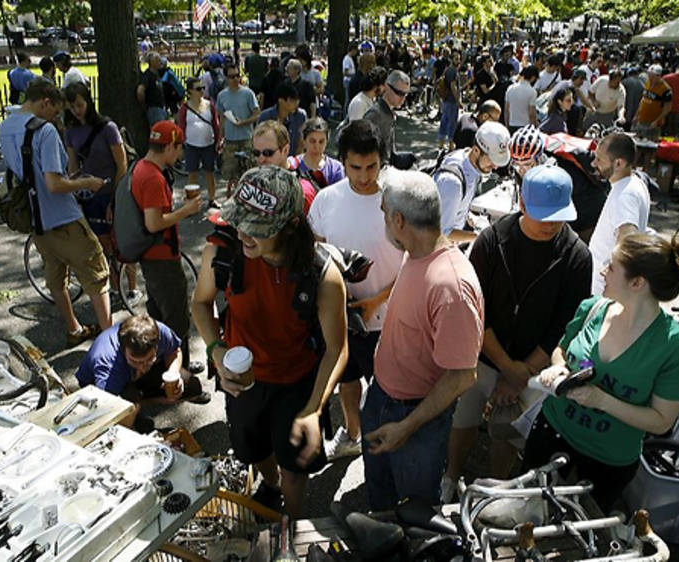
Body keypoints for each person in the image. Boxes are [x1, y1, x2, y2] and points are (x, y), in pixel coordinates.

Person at [192, 165, 348, 517]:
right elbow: (200, 305)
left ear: (291, 227)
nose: (245, 234)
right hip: (243, 382)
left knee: (295, 470)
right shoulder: (224, 253)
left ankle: (290, 525)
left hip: (296, 383)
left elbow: (337, 349)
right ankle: (271, 485)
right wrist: (217, 353)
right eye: (240, 221)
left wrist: (314, 408)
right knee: (252, 452)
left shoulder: (322, 275)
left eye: (257, 228)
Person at [522, 233, 679, 510]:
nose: (602, 271)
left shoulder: (676, 350)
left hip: (607, 463)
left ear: (637, 283)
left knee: (579, 540)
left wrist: (600, 400)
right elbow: (561, 349)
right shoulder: (592, 308)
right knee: (526, 517)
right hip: (550, 434)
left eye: (611, 267)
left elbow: (661, 421)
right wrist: (558, 367)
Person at [442, 165, 592, 497]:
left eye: (559, 215)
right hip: (484, 355)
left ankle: (497, 489)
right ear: (522, 204)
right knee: (463, 417)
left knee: (506, 431)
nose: (551, 224)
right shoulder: (491, 241)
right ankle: (450, 477)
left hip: (534, 365)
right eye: (544, 215)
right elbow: (475, 313)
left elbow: (565, 325)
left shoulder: (577, 256)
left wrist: (521, 373)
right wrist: (508, 368)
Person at [360, 168, 484, 510]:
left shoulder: (452, 289)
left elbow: (462, 376)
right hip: (383, 398)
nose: (382, 218)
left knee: (415, 515)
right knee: (380, 500)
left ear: (399, 220)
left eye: (384, 212)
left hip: (416, 420)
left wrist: (406, 427)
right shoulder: (415, 252)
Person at [308, 120, 404, 460]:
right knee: (346, 381)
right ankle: (352, 433)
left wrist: (375, 301)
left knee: (389, 389)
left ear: (382, 160)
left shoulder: (398, 201)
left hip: (389, 320)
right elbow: (316, 254)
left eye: (372, 166)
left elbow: (415, 262)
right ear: (343, 162)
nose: (364, 176)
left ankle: (386, 443)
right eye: (355, 167)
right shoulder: (325, 200)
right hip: (340, 319)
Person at [0, 78, 111, 346]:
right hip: (64, 218)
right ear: (45, 102)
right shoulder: (44, 131)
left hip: (37, 222)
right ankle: (111, 342)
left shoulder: (6, 127)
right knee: (97, 275)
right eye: (55, 111)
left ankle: (73, 328)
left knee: (56, 277)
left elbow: (28, 175)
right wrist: (86, 182)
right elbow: (54, 183)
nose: (57, 117)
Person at [132, 121, 202, 371]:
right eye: (179, 148)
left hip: (151, 256)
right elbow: (153, 223)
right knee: (176, 316)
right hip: (161, 258)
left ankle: (162, 362)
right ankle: (179, 372)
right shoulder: (152, 177)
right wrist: (186, 211)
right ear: (170, 145)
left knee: (159, 310)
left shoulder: (142, 167)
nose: (181, 154)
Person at [75, 314, 210, 432]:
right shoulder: (108, 366)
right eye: (136, 361)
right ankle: (136, 409)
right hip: (105, 388)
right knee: (129, 409)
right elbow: (107, 411)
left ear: (156, 345)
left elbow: (174, 351)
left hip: (130, 375)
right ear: (123, 349)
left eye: (148, 359)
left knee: (192, 387)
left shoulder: (159, 331)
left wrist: (173, 373)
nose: (143, 367)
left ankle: (143, 401)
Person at [64, 82, 128, 287]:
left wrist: (115, 199)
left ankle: (131, 288)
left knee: (122, 244)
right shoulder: (71, 131)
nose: (77, 111)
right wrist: (73, 187)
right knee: (103, 244)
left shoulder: (107, 128)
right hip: (90, 196)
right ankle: (113, 287)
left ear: (88, 102)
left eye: (80, 105)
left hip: (112, 191)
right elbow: (73, 166)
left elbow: (122, 164)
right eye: (72, 107)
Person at [589, 133, 650, 295]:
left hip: (603, 292)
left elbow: (628, 241)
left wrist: (612, 291)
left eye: (599, 159)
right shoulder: (632, 184)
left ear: (618, 163)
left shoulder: (625, 195)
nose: (593, 163)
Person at [435, 121, 511, 243]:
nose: (495, 167)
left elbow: (456, 206)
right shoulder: (452, 183)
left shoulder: (471, 163)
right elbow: (443, 232)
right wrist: (480, 237)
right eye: (492, 160)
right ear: (476, 150)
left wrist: (470, 218)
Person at [249, 120, 317, 211]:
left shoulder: (302, 192)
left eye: (268, 153)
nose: (261, 159)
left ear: (285, 150)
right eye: (256, 153)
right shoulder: (252, 182)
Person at [216, 63, 261, 196]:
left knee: (249, 171)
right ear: (226, 78)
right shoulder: (222, 96)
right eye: (231, 76)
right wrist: (220, 139)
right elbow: (222, 119)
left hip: (246, 138)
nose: (235, 79)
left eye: (237, 76)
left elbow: (257, 113)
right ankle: (232, 198)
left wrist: (244, 122)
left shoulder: (248, 93)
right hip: (230, 140)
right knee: (231, 173)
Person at [176, 76, 221, 208]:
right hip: (192, 145)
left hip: (208, 144)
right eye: (198, 88)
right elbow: (181, 127)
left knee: (210, 172)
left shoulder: (209, 104)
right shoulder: (184, 108)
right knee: (192, 174)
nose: (201, 91)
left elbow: (215, 124)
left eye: (203, 88)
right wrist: (180, 146)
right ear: (190, 91)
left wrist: (218, 140)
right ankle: (192, 202)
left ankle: (212, 199)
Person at [364, 69, 411, 166]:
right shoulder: (375, 114)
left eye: (405, 94)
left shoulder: (389, 112)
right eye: (399, 93)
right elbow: (364, 150)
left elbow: (390, 150)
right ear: (387, 87)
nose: (402, 98)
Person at [289, 117, 345, 189]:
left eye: (321, 142)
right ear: (304, 140)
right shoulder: (292, 164)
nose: (317, 146)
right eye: (312, 141)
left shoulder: (336, 168)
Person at [256, 83, 307, 157]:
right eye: (292, 100)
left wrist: (295, 163)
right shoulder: (265, 116)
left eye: (297, 100)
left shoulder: (300, 116)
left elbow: (301, 143)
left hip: (291, 161)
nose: (296, 104)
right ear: (281, 100)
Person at [633, 64, 672, 140]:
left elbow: (667, 108)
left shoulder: (665, 90)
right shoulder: (648, 83)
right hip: (641, 120)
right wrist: (637, 114)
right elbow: (643, 100)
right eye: (649, 76)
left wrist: (657, 121)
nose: (650, 78)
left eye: (652, 76)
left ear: (658, 76)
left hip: (652, 123)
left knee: (649, 145)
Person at [438, 51, 462, 151]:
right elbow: (453, 87)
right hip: (452, 100)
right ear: (452, 59)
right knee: (452, 122)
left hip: (446, 99)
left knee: (444, 120)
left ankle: (441, 143)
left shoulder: (447, 70)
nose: (458, 61)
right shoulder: (453, 71)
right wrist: (458, 100)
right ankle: (451, 145)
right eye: (456, 58)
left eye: (459, 58)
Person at [505, 66, 539, 133]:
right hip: (526, 127)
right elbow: (531, 113)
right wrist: (535, 127)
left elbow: (506, 110)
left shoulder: (510, 88)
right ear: (533, 78)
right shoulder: (532, 92)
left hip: (512, 125)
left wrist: (507, 125)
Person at [136, 52, 167, 126]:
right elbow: (140, 91)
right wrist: (144, 105)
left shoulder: (157, 74)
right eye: (158, 60)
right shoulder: (147, 75)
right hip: (154, 109)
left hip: (161, 108)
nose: (160, 62)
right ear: (152, 62)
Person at [342, 42, 358, 109]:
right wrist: (354, 75)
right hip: (347, 81)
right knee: (347, 100)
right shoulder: (347, 59)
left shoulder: (350, 58)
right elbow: (345, 73)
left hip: (350, 81)